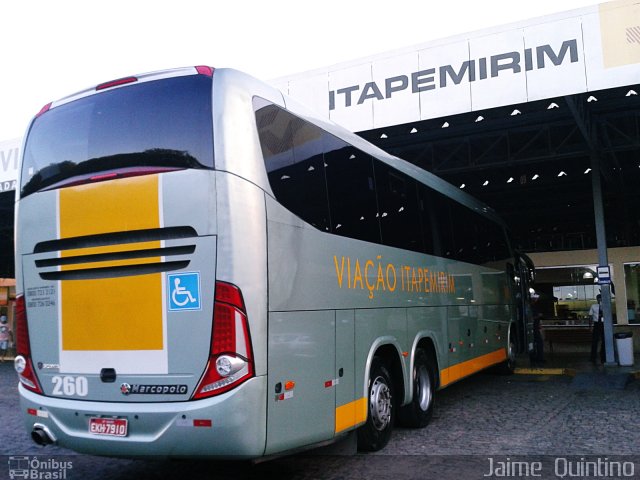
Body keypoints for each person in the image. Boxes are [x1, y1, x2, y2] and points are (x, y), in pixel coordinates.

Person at [589, 294, 605, 364]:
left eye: (601, 299)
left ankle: (603, 356)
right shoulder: (594, 306)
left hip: (603, 324)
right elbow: (590, 317)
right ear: (597, 299)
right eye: (599, 299)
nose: (600, 300)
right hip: (596, 324)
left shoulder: (605, 306)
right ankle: (593, 357)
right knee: (594, 341)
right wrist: (590, 326)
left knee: (604, 341)